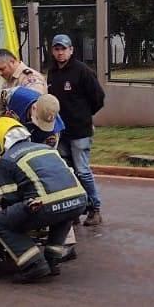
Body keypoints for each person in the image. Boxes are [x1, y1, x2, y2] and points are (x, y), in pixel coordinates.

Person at [0, 117, 89, 283]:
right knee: (63, 215)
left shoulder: (5, 161)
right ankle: (52, 260)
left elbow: (10, 199)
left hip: (45, 205)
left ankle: (33, 264)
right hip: (78, 200)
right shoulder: (46, 148)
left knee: (0, 223)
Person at [46, 34, 106, 226]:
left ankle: (95, 208)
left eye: (63, 49)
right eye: (56, 49)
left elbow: (98, 98)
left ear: (71, 50)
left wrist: (84, 117)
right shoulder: (53, 72)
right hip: (60, 131)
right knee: (68, 171)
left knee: (82, 170)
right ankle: (76, 208)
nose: (60, 52)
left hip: (80, 131)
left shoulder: (82, 71)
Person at [0, 48, 46, 119]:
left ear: (12, 62)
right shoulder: (9, 79)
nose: (0, 73)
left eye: (2, 69)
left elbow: (34, 103)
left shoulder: (30, 77)